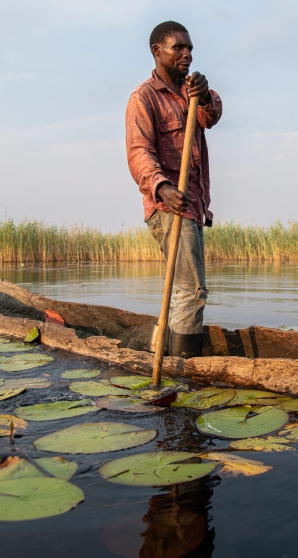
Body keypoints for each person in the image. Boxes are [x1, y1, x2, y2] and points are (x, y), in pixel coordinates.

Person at [125, 21, 222, 358]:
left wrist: (206, 95)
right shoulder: (144, 98)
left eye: (190, 48)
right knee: (191, 290)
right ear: (157, 51)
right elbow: (139, 153)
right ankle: (184, 371)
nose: (187, 54)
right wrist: (163, 187)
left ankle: (162, 350)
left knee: (183, 290)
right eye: (179, 47)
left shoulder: (191, 90)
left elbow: (212, 116)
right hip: (168, 208)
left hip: (193, 207)